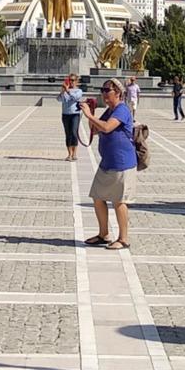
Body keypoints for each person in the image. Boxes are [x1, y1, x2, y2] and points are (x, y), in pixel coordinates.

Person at [82, 79, 137, 250]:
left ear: (118, 93)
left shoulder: (122, 110)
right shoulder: (110, 110)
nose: (104, 93)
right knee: (98, 197)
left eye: (108, 90)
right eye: (102, 90)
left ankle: (123, 239)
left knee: (119, 201)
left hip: (122, 163)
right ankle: (103, 233)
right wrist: (91, 113)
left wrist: (90, 116)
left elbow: (107, 128)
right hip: (107, 163)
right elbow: (97, 129)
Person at [57, 73, 84, 161]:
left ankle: (75, 153)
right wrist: (62, 91)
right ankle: (69, 154)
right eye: (70, 80)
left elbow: (76, 98)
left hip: (74, 114)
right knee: (68, 134)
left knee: (74, 132)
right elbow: (59, 99)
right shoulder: (65, 91)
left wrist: (68, 91)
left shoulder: (78, 91)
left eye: (73, 80)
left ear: (76, 81)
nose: (71, 82)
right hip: (65, 114)